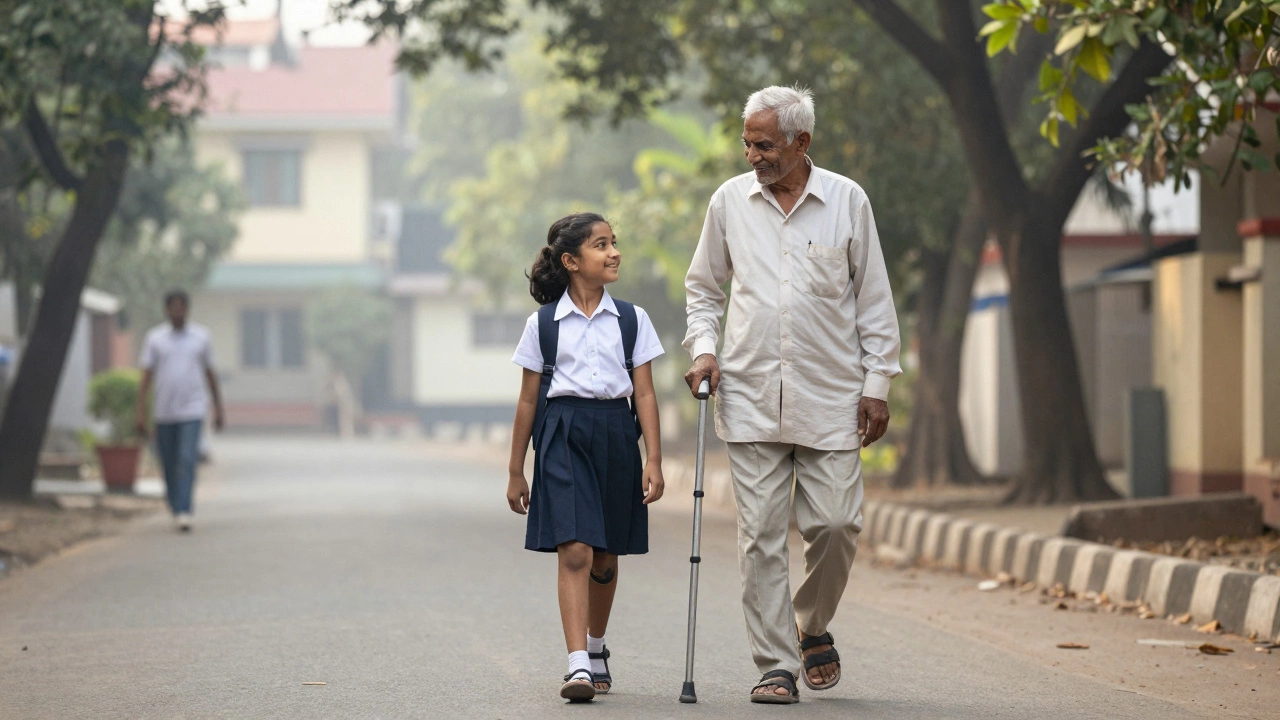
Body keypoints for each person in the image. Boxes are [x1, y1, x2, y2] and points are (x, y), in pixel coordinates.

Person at [683, 86, 902, 704]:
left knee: (836, 524)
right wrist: (704, 348)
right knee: (760, 538)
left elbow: (873, 298)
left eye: (765, 144)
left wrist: (877, 384)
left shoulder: (847, 201)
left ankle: (811, 625)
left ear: (801, 143)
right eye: (747, 142)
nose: (752, 153)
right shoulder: (729, 201)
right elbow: (704, 289)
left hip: (832, 396)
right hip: (749, 394)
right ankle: (775, 664)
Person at [506, 213, 666, 702]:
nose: (614, 252)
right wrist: (516, 469)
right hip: (562, 432)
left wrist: (653, 458)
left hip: (616, 432)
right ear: (572, 261)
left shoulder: (633, 320)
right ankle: (577, 664)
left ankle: (596, 646)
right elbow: (529, 400)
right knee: (574, 546)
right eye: (602, 245)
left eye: (614, 243)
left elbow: (644, 394)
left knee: (605, 553)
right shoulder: (543, 325)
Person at [135, 290, 225, 532]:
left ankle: (184, 509)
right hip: (164, 411)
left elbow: (210, 374)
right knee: (168, 461)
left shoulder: (201, 337)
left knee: (186, 458)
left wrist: (219, 409)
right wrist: (141, 412)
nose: (177, 311)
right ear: (166, 310)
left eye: (181, 307)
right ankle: (175, 504)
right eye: (173, 307)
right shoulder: (155, 338)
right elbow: (145, 378)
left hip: (192, 409)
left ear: (187, 309)